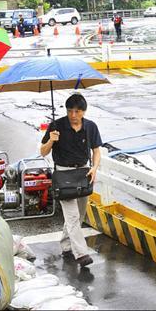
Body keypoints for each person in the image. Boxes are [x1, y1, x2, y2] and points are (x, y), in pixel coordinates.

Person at [40, 94, 102, 267]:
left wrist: (95, 167)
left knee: (79, 215)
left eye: (77, 111)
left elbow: (96, 150)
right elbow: (43, 152)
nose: (73, 115)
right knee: (72, 216)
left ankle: (66, 245)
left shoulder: (90, 127)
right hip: (64, 175)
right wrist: (51, 141)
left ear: (84, 111)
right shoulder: (56, 126)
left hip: (83, 173)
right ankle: (81, 254)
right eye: (70, 111)